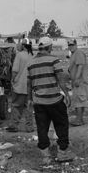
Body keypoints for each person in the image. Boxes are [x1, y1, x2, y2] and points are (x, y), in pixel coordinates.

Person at [27, 36, 74, 164]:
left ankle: (46, 157)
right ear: (49, 48)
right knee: (62, 126)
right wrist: (67, 94)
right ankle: (62, 153)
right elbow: (60, 79)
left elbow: (29, 84)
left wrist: (30, 99)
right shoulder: (54, 60)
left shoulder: (30, 63)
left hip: (39, 102)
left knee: (42, 128)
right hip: (55, 100)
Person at [6, 38, 34, 132]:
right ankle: (29, 127)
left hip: (20, 86)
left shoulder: (19, 55)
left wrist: (12, 80)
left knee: (16, 106)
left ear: (23, 45)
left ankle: (14, 126)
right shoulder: (33, 56)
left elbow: (15, 71)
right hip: (30, 87)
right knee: (28, 107)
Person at [67, 39, 88, 126]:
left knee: (79, 102)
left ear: (76, 44)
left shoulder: (78, 53)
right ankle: (79, 119)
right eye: (69, 45)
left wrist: (76, 79)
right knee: (78, 101)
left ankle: (79, 120)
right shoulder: (73, 54)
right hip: (78, 81)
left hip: (80, 81)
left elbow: (80, 66)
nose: (71, 46)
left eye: (72, 45)